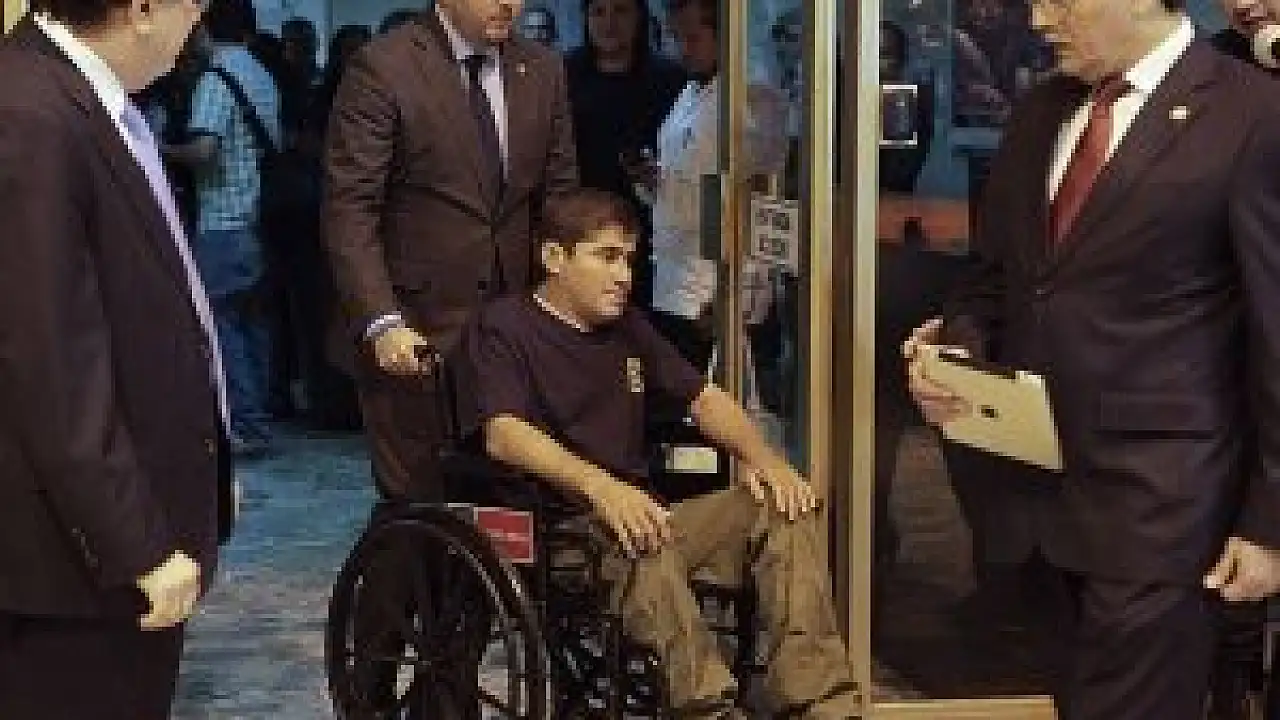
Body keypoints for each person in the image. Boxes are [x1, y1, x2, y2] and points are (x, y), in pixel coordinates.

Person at [904, 1, 1280, 718]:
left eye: (1059, 0)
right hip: (1035, 506)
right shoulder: (1040, 111)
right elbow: (996, 280)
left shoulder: (1253, 117)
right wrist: (957, 353)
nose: (1040, 20)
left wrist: (1270, 526)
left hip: (1165, 515)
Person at [453, 188, 860, 719]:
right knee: (641, 536)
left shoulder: (628, 328)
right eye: (606, 257)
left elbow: (705, 399)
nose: (623, 275)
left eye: (629, 259)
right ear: (554, 257)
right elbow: (504, 433)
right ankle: (708, 710)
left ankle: (821, 702)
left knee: (781, 508)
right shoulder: (505, 326)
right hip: (562, 532)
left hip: (648, 519)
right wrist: (602, 488)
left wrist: (765, 460)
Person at [0, 0, 234, 718]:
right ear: (142, 9)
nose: (200, 20)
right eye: (193, 3)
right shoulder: (33, 112)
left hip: (120, 528)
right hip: (73, 566)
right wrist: (135, 543)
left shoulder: (89, 101)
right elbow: (52, 360)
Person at [324, 0, 577, 501]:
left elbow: (560, 197)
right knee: (421, 505)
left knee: (510, 503)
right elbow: (350, 209)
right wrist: (381, 319)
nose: (509, 4)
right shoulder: (386, 67)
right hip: (416, 333)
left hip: (512, 333)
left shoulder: (541, 69)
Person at [640, 0, 787, 369]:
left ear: (726, 35)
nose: (682, 49)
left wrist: (733, 296)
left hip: (715, 290)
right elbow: (688, 182)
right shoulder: (692, 91)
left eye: (693, 38)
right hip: (675, 279)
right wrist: (655, 180)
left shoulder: (752, 98)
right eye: (675, 38)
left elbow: (753, 200)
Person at [167, 0, 282, 456]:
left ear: (203, 28)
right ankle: (262, 416)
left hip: (222, 220)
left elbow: (205, 151)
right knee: (254, 325)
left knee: (222, 326)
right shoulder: (261, 74)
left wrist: (159, 148)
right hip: (258, 219)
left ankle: (245, 423)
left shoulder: (215, 79)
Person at [566, 0, 685, 307]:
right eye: (598, 12)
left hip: (651, 228)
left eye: (620, 10)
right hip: (581, 221)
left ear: (639, 16)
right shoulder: (563, 74)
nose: (609, 22)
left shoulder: (671, 78)